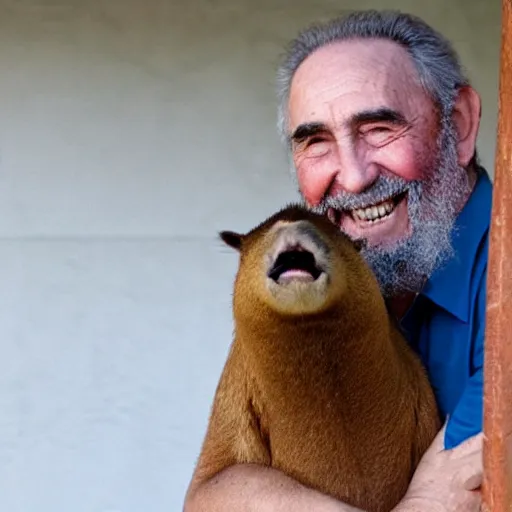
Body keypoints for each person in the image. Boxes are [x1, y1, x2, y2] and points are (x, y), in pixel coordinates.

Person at [184, 9, 490, 511]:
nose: (352, 176)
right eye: (316, 141)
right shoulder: (316, 279)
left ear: (457, 126)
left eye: (377, 128)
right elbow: (211, 496)